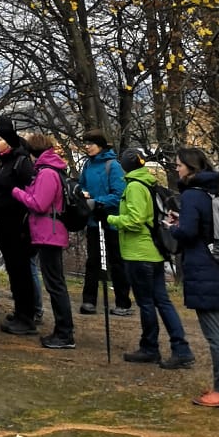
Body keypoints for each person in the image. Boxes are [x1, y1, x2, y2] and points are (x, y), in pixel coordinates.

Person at [106, 145, 194, 371]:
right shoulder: (149, 182)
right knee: (162, 301)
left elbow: (135, 220)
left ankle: (150, 347)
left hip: (139, 252)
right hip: (153, 252)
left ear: (125, 166)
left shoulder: (135, 186)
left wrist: (112, 219)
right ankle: (180, 348)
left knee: (146, 303)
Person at [169, 147, 219, 409]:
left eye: (179, 165)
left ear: (191, 168)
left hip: (202, 269)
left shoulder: (191, 195)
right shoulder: (213, 192)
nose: (177, 169)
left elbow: (188, 232)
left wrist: (173, 227)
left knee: (214, 334)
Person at [12, 131, 76, 350]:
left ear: (33, 153)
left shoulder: (47, 173)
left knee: (55, 284)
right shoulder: (51, 169)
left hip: (50, 233)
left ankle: (65, 333)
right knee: (55, 282)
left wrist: (17, 192)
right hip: (50, 232)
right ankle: (62, 331)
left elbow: (39, 204)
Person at [0, 118, 39, 334]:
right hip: (1, 224)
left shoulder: (21, 162)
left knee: (21, 271)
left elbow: (33, 190)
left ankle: (27, 317)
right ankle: (20, 311)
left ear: (8, 141)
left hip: (18, 225)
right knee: (13, 270)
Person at [77, 131, 133, 317]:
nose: (87, 147)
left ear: (100, 145)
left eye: (91, 143)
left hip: (111, 221)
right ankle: (89, 301)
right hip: (94, 220)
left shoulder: (113, 166)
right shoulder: (87, 165)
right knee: (92, 261)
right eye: (86, 143)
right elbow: (82, 185)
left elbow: (119, 195)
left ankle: (123, 302)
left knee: (116, 262)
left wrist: (99, 202)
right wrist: (83, 194)